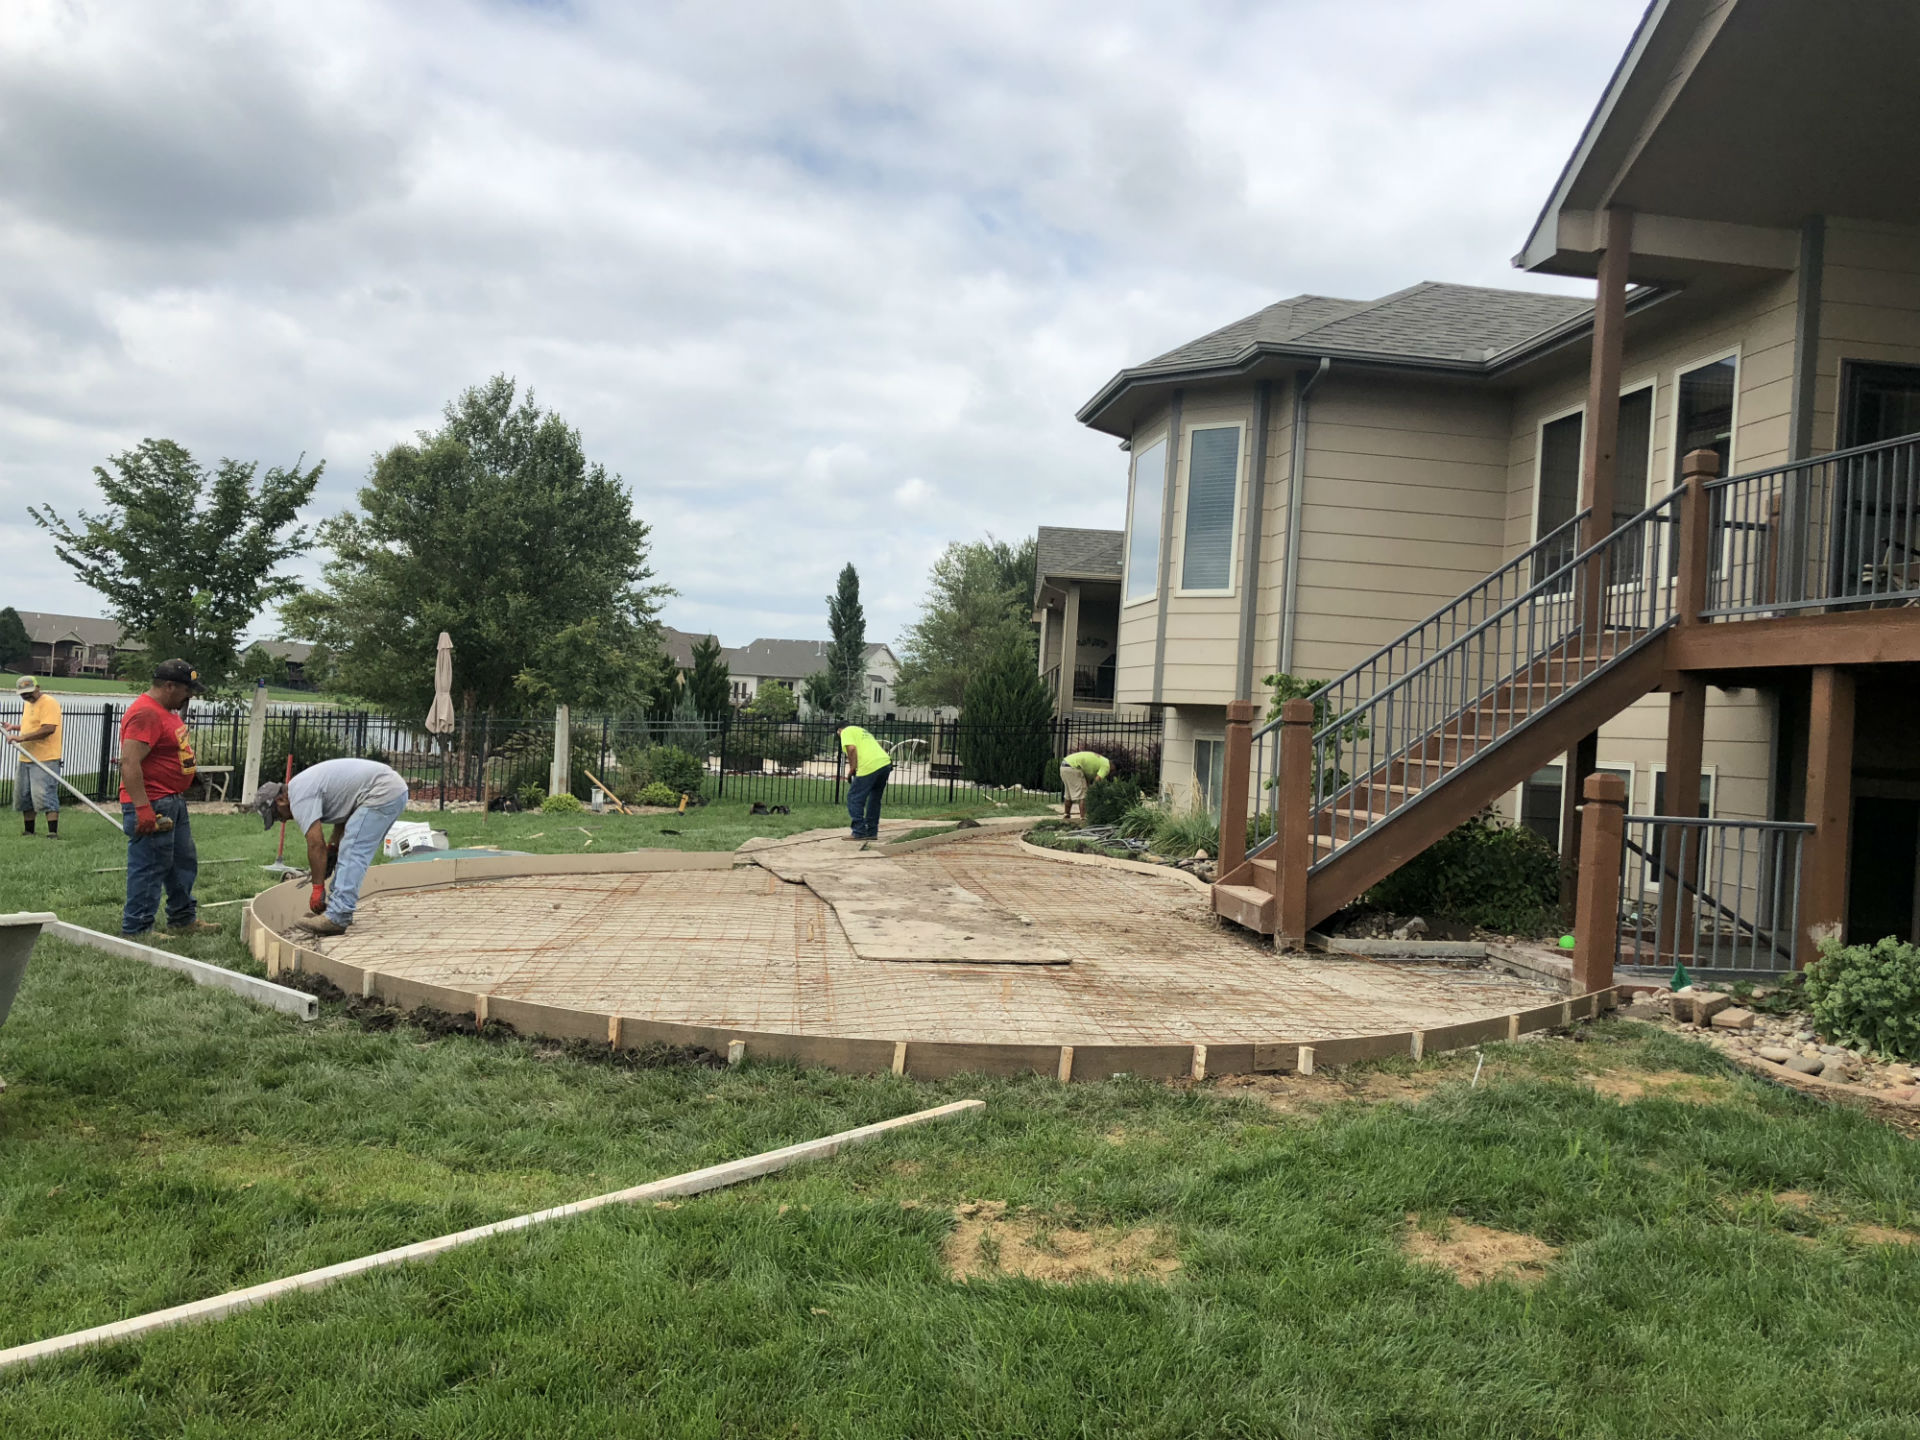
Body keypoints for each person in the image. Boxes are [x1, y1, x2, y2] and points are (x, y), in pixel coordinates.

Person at [251, 757, 410, 936]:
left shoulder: (299, 795)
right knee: (349, 849)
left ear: (280, 800)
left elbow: (316, 844)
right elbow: (346, 811)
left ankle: (337, 916)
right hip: (388, 789)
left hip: (382, 792)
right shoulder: (302, 786)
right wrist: (333, 848)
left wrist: (317, 888)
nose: (283, 820)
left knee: (353, 851)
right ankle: (338, 909)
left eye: (277, 816)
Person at [120, 658, 218, 938]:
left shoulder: (167, 710)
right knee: (150, 865)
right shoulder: (145, 714)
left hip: (172, 800)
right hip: (152, 801)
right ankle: (138, 928)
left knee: (182, 862)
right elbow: (130, 762)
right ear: (169, 686)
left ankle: (183, 918)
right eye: (187, 690)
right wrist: (143, 809)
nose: (190, 696)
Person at [5, 674, 62, 837]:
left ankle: (52, 833)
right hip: (26, 757)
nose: (27, 696)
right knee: (25, 796)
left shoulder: (49, 703)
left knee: (44, 795)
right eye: (23, 694)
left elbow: (48, 728)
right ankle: (29, 831)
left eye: (30, 692)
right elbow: (31, 726)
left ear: (38, 688)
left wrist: (21, 738)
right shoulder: (29, 705)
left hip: (45, 758)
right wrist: (14, 728)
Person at [837, 722, 892, 841]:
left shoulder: (845, 732)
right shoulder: (862, 731)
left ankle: (859, 831)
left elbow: (851, 749)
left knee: (854, 798)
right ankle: (872, 831)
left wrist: (852, 768)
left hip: (869, 766)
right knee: (874, 799)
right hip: (885, 764)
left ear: (839, 731)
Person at [1058, 749, 1112, 824]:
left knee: (1068, 794)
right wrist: (1092, 791)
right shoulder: (1106, 766)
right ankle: (1083, 818)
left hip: (1064, 765)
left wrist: (1088, 785)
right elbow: (1097, 780)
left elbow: (1086, 777)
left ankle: (1066, 814)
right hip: (1073, 767)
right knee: (1083, 794)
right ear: (1113, 766)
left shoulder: (1100, 760)